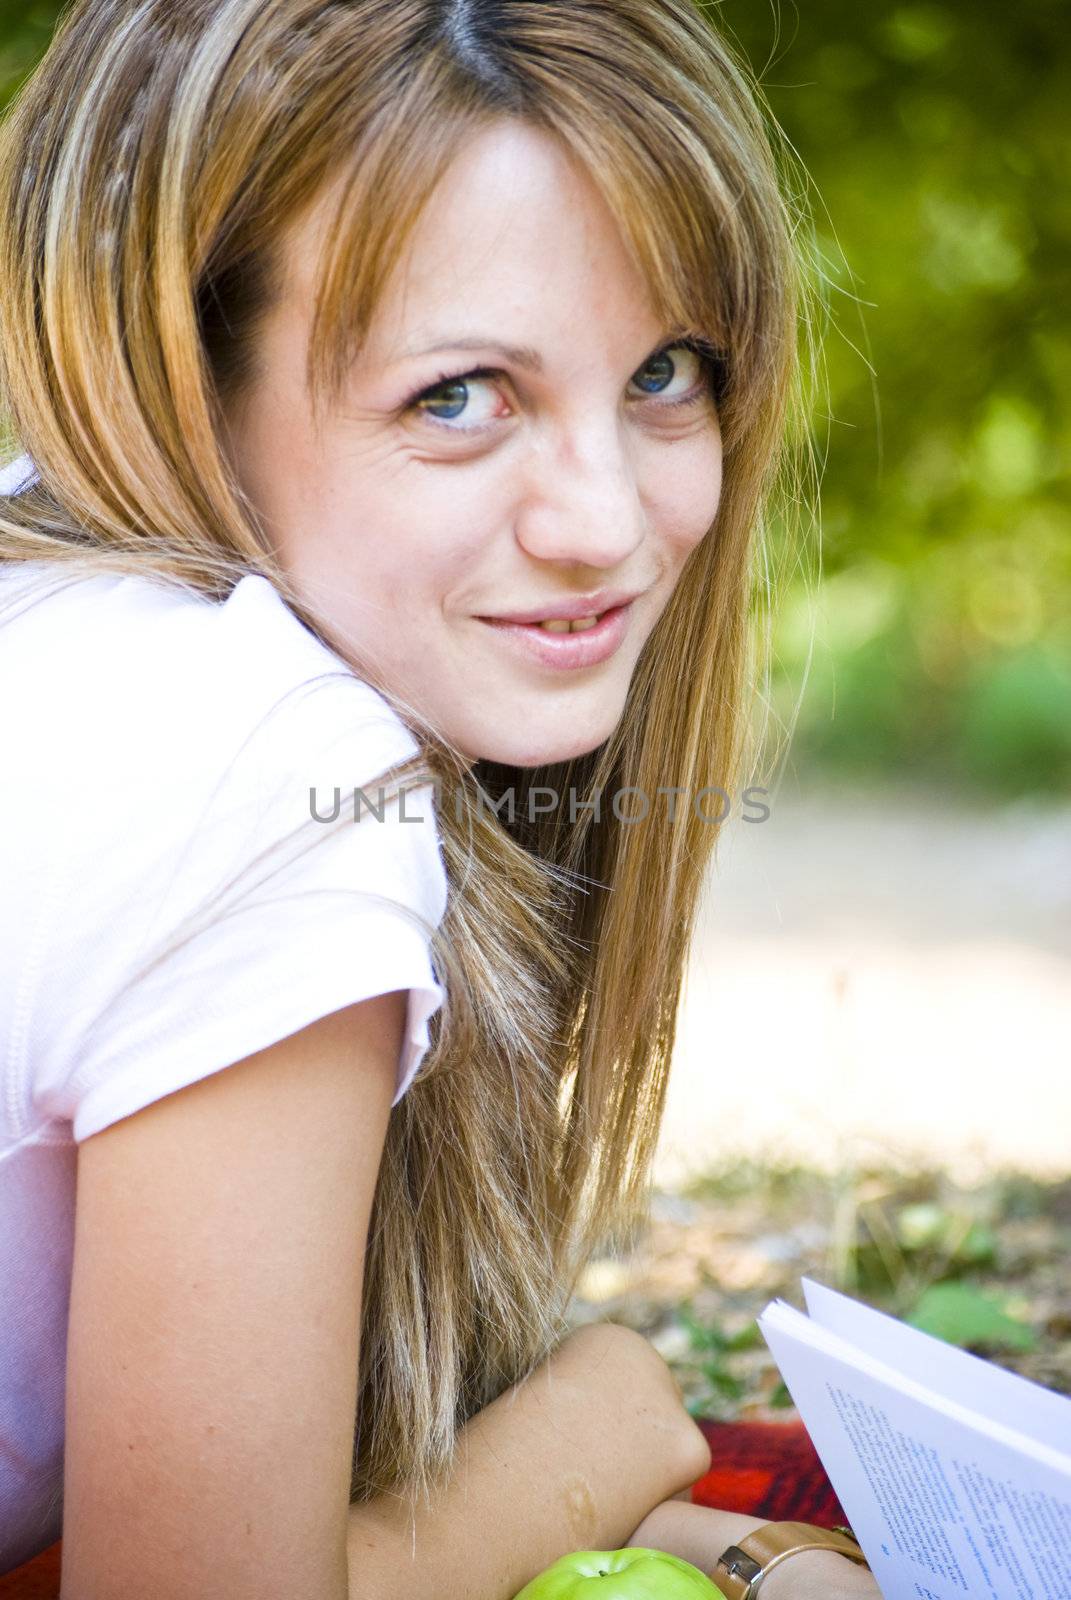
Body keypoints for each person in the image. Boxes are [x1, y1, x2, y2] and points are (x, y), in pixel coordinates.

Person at [0, 1, 880, 1596]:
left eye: (666, 374)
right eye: (458, 395)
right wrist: (602, 1427)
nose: (607, 522)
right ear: (180, 384)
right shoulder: (259, 756)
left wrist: (716, 1544)